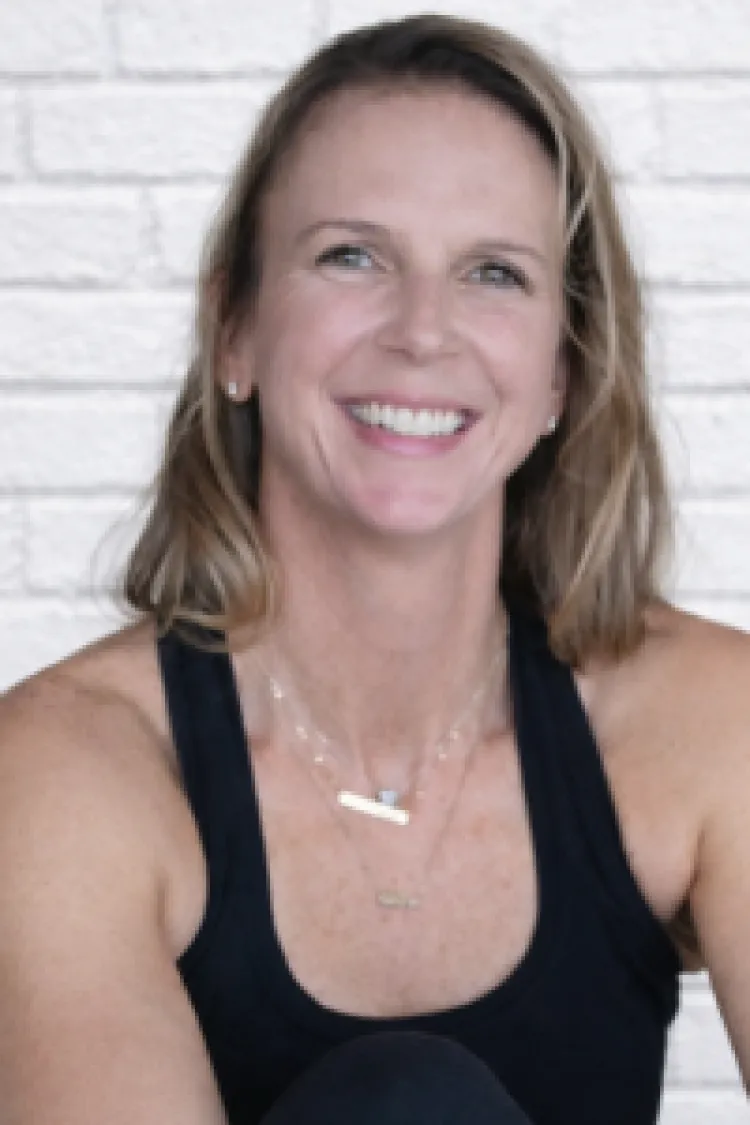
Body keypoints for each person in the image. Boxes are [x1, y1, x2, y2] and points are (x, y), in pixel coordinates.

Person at [0, 12, 748, 1125]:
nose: (423, 331)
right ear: (235, 328)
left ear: (560, 373)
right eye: (351, 256)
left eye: (494, 273)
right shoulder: (67, 774)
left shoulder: (704, 722)